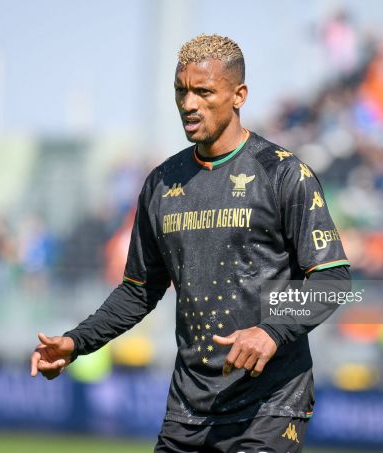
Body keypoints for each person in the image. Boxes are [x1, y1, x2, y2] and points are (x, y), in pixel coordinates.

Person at [30, 34, 350, 452]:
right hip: (189, 409)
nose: (188, 104)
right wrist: (77, 342)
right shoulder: (161, 183)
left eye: (204, 92)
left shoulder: (283, 174)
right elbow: (138, 290)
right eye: (181, 91)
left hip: (269, 406)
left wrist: (271, 331)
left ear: (239, 95)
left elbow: (333, 280)